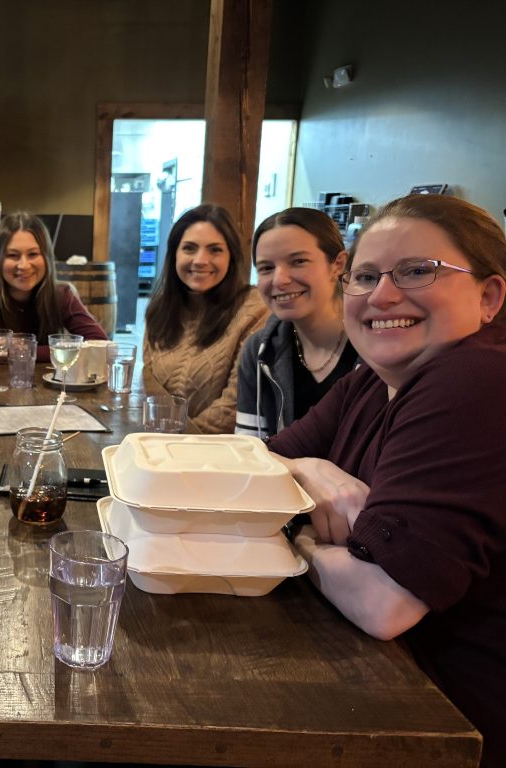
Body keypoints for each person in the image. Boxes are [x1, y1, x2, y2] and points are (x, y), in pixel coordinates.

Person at [268, 194, 506, 768]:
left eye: (417, 271)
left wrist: (303, 542)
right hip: (381, 694)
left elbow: (382, 602)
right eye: (366, 276)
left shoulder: (477, 378)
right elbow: (260, 465)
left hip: (450, 729)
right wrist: (312, 469)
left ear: (490, 296)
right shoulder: (372, 383)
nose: (382, 296)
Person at [142, 203, 268, 433]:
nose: (200, 260)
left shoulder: (255, 309)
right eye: (189, 248)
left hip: (216, 454)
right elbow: (150, 384)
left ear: (231, 256)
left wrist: (180, 442)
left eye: (215, 250)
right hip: (161, 445)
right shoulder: (159, 308)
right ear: (174, 254)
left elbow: (233, 405)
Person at [236, 207, 356, 439]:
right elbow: (249, 451)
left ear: (338, 264)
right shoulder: (259, 351)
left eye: (298, 261)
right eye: (266, 268)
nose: (280, 280)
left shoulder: (375, 349)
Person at [0, 211, 107, 361]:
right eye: (13, 255)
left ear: (47, 257)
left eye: (33, 254)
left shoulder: (61, 295)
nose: (24, 265)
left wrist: (23, 349)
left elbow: (100, 345)